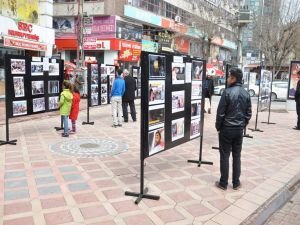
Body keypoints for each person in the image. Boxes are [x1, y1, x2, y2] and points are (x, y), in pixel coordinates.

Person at [215, 67, 252, 190]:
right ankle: (236, 183)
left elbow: (220, 113)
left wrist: (218, 127)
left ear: (234, 78)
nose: (227, 79)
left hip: (227, 128)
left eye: (229, 76)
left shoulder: (227, 92)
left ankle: (223, 183)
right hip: (238, 130)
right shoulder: (246, 93)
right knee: (237, 155)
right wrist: (242, 124)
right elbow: (248, 113)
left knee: (225, 155)